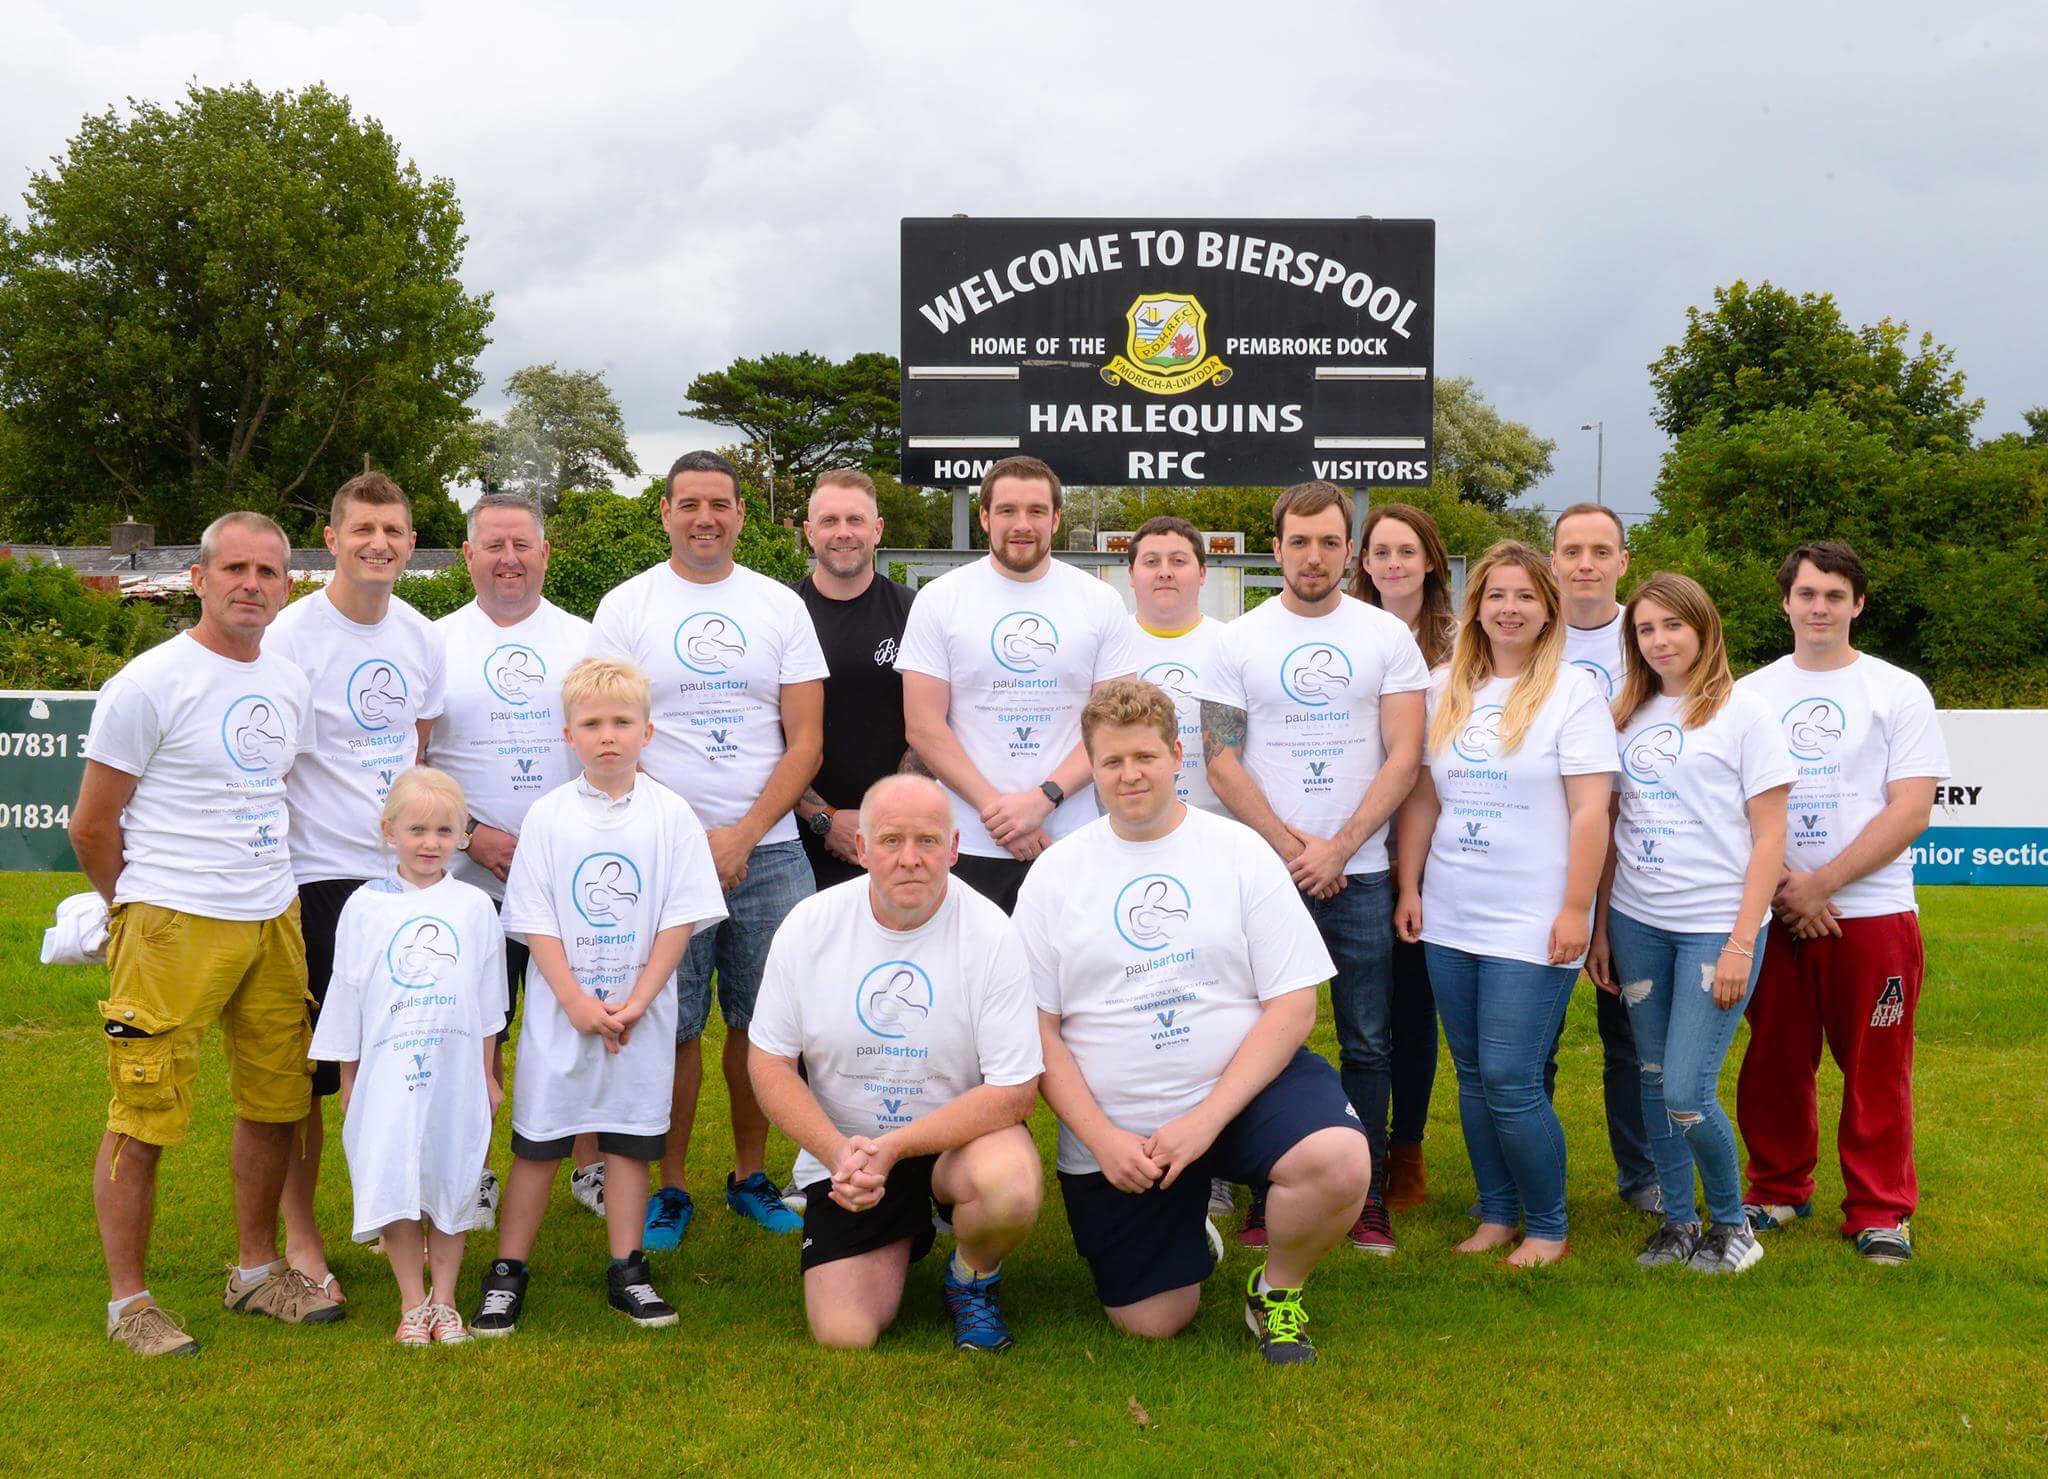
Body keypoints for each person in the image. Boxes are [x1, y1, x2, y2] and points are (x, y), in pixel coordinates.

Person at [1019, 680, 1370, 1366]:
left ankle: (1276, 1290)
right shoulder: (1056, 874)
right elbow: (1036, 1028)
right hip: (1122, 1129)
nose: (1130, 774)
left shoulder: (1239, 852)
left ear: (1177, 755)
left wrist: (1207, 1119)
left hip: (1239, 1094)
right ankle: (1188, 1232)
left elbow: (1294, 1004)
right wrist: (1102, 1139)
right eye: (1113, 760)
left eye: (1145, 756)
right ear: (1092, 766)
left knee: (1336, 1158)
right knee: (1153, 1321)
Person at [69, 511, 340, 1355]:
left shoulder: (287, 681)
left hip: (272, 915)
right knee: (144, 1109)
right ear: (199, 578)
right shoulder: (150, 682)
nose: (251, 584)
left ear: (287, 585)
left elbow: (275, 791)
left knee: (278, 1100)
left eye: (268, 571)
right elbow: (91, 825)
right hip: (172, 922)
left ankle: (256, 1271)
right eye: (235, 568)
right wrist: (136, 909)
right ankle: (130, 1305)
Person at [589, 450, 828, 1248]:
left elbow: (806, 741)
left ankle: (751, 1175)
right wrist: (693, 839)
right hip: (662, 854)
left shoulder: (779, 607)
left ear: (740, 514)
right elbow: (608, 730)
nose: (704, 517)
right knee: (673, 1025)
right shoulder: (626, 608)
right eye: (688, 503)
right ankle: (672, 1185)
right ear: (663, 512)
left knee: (765, 1025)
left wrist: (744, 833)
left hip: (772, 850)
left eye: (719, 504)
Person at [1196, 481, 1428, 1254]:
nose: (1314, 556)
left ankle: (1365, 1197)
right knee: (1258, 1034)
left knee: (1368, 1039)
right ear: (1276, 548)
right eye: (1299, 541)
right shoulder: (1236, 640)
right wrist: (1293, 849)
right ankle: (1270, 1186)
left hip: (1360, 874)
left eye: (1330, 541)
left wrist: (1341, 845)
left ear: (1350, 550)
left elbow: (1405, 754)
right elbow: (1220, 759)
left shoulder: (1386, 637)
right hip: (1267, 876)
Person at [472, 658, 728, 1333]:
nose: (607, 735)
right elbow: (535, 918)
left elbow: (680, 917)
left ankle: (628, 1270)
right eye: (591, 724)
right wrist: (576, 1002)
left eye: (621, 722)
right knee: (539, 1144)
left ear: (648, 730)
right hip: (564, 1016)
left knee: (630, 1142)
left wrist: (639, 1000)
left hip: (640, 1018)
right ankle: (507, 1273)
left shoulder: (671, 815)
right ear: (568, 735)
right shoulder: (549, 816)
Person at [749, 775, 1044, 1352]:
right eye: (891, 840)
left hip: (957, 1143)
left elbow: (1014, 1092)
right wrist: (838, 1154)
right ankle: (903, 1230)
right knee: (845, 1334)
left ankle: (972, 1276)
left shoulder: (991, 933)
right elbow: (769, 1063)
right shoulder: (809, 926)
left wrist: (896, 1148)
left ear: (953, 848)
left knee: (1009, 1186)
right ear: (861, 848)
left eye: (927, 840)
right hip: (851, 1153)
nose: (910, 858)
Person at [1393, 541, 1617, 1267]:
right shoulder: (1443, 687)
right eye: (1496, 595)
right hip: (1451, 911)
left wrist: (1577, 909)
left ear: (1548, 609)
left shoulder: (1573, 693)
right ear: (1476, 606)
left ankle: (1548, 1226)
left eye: (1525, 595)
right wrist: (1409, 885)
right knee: (1470, 1073)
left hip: (1534, 917)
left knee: (1512, 1078)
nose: (1509, 608)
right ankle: (1495, 1213)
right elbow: (1423, 799)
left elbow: (1591, 811)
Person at [1733, 542, 1948, 1264]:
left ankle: (1880, 1210)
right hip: (1777, 910)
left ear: (1858, 603)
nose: (1818, 607)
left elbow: (1911, 807)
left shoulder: (1898, 690)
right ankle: (1776, 1189)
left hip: (1874, 911)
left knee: (1876, 1066)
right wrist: (1790, 888)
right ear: (1785, 602)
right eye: (1806, 593)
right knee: (1774, 1058)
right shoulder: (1750, 694)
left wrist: (1823, 883)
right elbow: (1735, 806)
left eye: (1833, 595)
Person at [265, 471, 447, 1303]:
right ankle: (302, 1234)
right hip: (318, 875)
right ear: (332, 539)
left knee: (403, 1060)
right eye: (363, 529)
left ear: (410, 542)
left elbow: (416, 749)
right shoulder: (291, 635)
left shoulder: (421, 636)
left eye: (394, 530)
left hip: (400, 882)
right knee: (314, 1072)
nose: (379, 543)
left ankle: (394, 1212)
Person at [1587, 575, 1793, 1275]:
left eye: (1672, 625)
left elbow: (1770, 837)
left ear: (1704, 628)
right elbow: (1614, 825)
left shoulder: (1745, 713)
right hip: (1638, 921)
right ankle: (1679, 1221)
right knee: (1651, 1078)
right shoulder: (1626, 713)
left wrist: (1741, 941)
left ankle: (1734, 1225)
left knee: (1686, 1088)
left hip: (1715, 927)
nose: (1659, 640)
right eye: (1645, 629)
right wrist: (1602, 929)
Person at [424, 492, 600, 1226]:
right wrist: (472, 835)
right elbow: (411, 764)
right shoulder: (432, 643)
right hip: (463, 881)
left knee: (580, 1024)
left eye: (522, 545)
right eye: (493, 545)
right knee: (474, 1034)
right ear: (467, 555)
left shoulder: (586, 640)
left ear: (545, 553)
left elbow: (610, 747)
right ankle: (472, 1172)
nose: (509, 559)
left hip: (569, 882)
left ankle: (592, 1165)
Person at [310, 767, 506, 1343]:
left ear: (461, 835)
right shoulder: (364, 907)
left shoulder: (474, 906)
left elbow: (487, 997)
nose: (430, 843)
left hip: (455, 1070)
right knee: (394, 1172)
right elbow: (346, 994)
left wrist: (487, 1075)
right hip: (388, 1071)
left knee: (452, 1173)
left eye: (444, 831)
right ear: (389, 830)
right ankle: (412, 1302)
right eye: (417, 830)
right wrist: (350, 1079)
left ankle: (445, 1300)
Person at [897, 455, 1136, 913]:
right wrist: (1001, 814)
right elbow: (924, 727)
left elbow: (1114, 724)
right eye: (1007, 510)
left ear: (1056, 519)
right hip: (968, 842)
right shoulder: (940, 599)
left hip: (1072, 839)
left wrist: (1044, 800)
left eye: (1036, 511)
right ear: (985, 517)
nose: (1022, 524)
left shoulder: (1100, 602)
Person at [1546, 501, 1661, 1215]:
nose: (1585, 564)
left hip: (1639, 862)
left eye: (1599, 551)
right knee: (1534, 1038)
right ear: (1553, 560)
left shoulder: (1650, 635)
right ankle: (1527, 1177)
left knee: (1632, 1037)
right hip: (1541, 863)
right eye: (1571, 551)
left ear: (1623, 560)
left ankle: (1644, 1176)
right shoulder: (1529, 634)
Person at [1351, 501, 1458, 1211]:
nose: (1393, 564)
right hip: (1352, 844)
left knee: (1413, 1007)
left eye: (1407, 551)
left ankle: (1407, 1149)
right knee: (1356, 1015)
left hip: (1435, 847)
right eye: (1381, 552)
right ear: (1364, 562)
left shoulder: (1464, 645)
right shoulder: (1345, 632)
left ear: (1430, 561)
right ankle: (1342, 1145)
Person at [791, 468, 917, 891]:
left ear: (877, 530)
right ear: (810, 532)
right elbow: (761, 731)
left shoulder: (915, 612)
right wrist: (823, 818)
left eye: (855, 520)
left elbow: (933, 725)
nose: (843, 532)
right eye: (829, 521)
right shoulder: (780, 612)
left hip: (898, 838)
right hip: (792, 846)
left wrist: (881, 819)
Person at [1125, 515, 1229, 817]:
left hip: (1217, 826)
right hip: (1132, 824)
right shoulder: (1109, 644)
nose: (1165, 572)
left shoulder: (1232, 643)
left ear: (1203, 573)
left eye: (1179, 561)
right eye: (1151, 562)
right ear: (1131, 573)